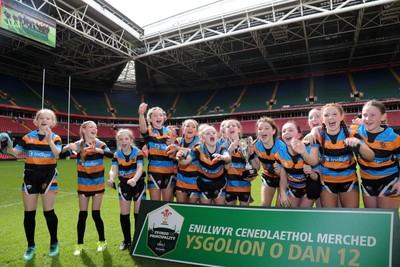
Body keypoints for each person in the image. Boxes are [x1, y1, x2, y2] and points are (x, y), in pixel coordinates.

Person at [5, 109, 61, 260]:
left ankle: (54, 242)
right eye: (41, 118)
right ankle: (31, 246)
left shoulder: (56, 138)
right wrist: (7, 146)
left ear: (53, 123)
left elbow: (57, 155)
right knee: (29, 214)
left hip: (48, 177)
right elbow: (15, 152)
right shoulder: (27, 137)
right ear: (36, 122)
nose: (44, 120)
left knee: (48, 212)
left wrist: (49, 140)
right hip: (30, 176)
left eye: (48, 118)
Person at [61, 120, 112, 255]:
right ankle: (79, 244)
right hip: (83, 186)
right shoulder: (78, 145)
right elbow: (61, 155)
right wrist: (67, 147)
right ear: (83, 130)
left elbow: (111, 154)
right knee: (82, 215)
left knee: (96, 214)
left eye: (96, 127)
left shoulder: (100, 143)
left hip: (98, 185)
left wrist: (97, 150)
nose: (94, 129)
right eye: (91, 127)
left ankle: (102, 241)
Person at [308, 103, 374, 208]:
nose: (330, 117)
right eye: (326, 115)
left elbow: (370, 156)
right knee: (330, 218)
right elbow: (313, 161)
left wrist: (359, 145)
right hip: (326, 182)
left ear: (341, 116)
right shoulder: (317, 135)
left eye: (334, 114)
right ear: (322, 119)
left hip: (349, 181)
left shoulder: (352, 133)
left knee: (350, 217)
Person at [350, 100, 400, 209]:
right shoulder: (354, 131)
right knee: (373, 220)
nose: (368, 118)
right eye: (365, 115)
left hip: (390, 181)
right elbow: (332, 129)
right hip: (367, 183)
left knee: (386, 221)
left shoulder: (393, 138)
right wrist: (313, 131)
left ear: (383, 117)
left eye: (373, 115)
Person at [107, 129, 146, 251]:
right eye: (120, 139)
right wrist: (111, 179)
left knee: (138, 213)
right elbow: (113, 169)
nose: (123, 141)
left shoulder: (138, 152)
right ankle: (127, 240)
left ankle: (138, 239)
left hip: (138, 183)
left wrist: (134, 179)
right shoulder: (116, 154)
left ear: (131, 140)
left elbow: (140, 168)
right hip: (124, 185)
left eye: (126, 139)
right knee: (124, 213)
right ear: (117, 141)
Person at [176, 124, 231, 205]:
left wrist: (222, 157)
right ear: (203, 139)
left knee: (220, 211)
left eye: (213, 133)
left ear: (217, 136)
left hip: (219, 183)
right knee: (206, 210)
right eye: (208, 133)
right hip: (204, 184)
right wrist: (179, 158)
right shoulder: (198, 149)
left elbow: (228, 158)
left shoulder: (221, 147)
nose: (211, 134)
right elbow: (184, 162)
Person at [277, 121, 320, 208]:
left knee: (303, 216)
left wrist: (311, 172)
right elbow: (283, 177)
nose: (287, 133)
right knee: (289, 214)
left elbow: (317, 177)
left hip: (308, 189)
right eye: (284, 131)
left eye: (290, 130)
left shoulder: (308, 149)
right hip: (293, 188)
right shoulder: (280, 153)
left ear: (299, 135)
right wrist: (283, 194)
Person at [138, 103, 175, 201]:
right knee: (155, 205)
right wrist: (141, 114)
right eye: (155, 115)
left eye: (160, 115)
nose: (158, 117)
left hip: (169, 172)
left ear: (164, 118)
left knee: (167, 205)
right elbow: (142, 129)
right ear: (149, 119)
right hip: (154, 172)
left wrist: (173, 146)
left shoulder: (170, 132)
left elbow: (174, 151)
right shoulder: (148, 132)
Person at [252, 117, 286, 207]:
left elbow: (285, 171)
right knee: (264, 205)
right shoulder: (254, 146)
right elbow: (257, 167)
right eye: (260, 129)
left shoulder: (282, 147)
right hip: (268, 177)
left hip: (282, 178)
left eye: (267, 128)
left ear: (273, 131)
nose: (263, 131)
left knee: (280, 207)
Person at [224, 119, 258, 206]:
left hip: (244, 186)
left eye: (233, 125)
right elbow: (222, 168)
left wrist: (251, 154)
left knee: (244, 213)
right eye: (228, 126)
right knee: (229, 214)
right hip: (228, 186)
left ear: (239, 129)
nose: (231, 127)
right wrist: (229, 151)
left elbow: (257, 168)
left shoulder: (247, 145)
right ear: (225, 131)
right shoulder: (223, 146)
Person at [169, 119, 201, 203]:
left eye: (193, 127)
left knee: (192, 209)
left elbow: (194, 151)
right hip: (181, 180)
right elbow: (171, 154)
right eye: (187, 126)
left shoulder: (199, 142)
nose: (190, 128)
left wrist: (178, 149)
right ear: (183, 129)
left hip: (195, 181)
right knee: (181, 208)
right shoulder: (178, 141)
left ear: (196, 131)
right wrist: (171, 144)